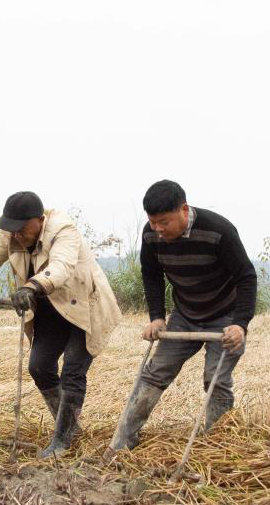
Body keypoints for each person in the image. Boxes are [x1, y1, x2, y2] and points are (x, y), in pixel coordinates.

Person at [0, 191, 122, 458]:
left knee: (72, 370)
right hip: (49, 308)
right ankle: (68, 425)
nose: (17, 236)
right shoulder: (12, 235)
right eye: (12, 230)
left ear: (39, 221)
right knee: (39, 366)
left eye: (22, 229)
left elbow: (61, 266)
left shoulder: (63, 231)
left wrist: (32, 286)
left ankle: (63, 440)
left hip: (84, 308)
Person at [110, 180, 257, 451]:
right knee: (154, 373)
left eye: (164, 222)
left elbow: (246, 277)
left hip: (225, 315)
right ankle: (123, 441)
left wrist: (240, 324)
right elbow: (151, 275)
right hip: (185, 314)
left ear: (184, 210)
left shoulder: (218, 231)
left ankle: (217, 446)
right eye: (152, 222)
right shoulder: (151, 235)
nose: (158, 229)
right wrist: (156, 316)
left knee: (216, 380)